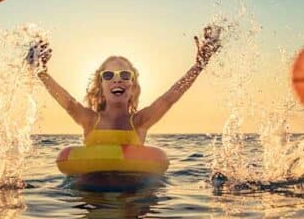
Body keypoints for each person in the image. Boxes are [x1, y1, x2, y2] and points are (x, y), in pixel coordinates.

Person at [27, 26, 221, 145]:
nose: (117, 80)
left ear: (133, 87)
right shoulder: (89, 119)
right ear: (100, 86)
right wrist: (41, 71)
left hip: (132, 200)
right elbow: (68, 102)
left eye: (125, 75)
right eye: (109, 75)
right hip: (93, 199)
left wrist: (199, 66)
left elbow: (170, 97)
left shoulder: (140, 121)